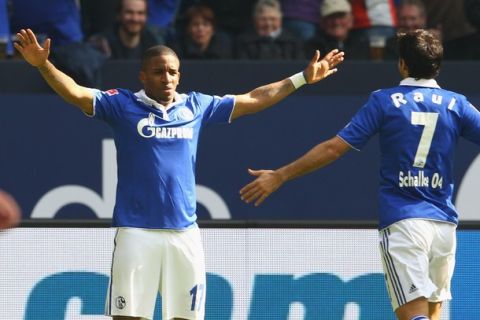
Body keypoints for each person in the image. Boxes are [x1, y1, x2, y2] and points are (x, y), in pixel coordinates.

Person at [14, 28, 343, 320]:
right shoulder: (121, 104)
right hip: (135, 232)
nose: (167, 78)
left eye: (172, 72)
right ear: (143, 76)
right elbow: (76, 93)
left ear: (180, 75)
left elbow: (254, 98)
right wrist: (43, 65)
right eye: (159, 72)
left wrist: (301, 78)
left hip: (184, 234)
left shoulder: (196, 106)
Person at [240, 29, 480, 320]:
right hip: (443, 226)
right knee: (433, 313)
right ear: (437, 66)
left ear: (402, 64)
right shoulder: (458, 104)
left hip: (405, 222)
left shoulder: (385, 101)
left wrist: (281, 175)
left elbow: (333, 149)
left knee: (413, 315)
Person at [88, 0, 163, 60]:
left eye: (140, 13)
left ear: (146, 17)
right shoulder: (102, 45)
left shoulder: (153, 46)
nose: (135, 18)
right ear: (119, 15)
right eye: (129, 12)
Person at [235, 0, 304, 60]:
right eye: (263, 19)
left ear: (280, 19)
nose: (268, 24)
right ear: (255, 19)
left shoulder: (293, 42)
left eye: (273, 19)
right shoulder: (243, 42)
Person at [305, 0, 370, 60]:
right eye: (331, 17)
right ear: (322, 22)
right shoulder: (313, 47)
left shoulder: (362, 43)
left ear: (351, 20)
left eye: (341, 16)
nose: (336, 22)